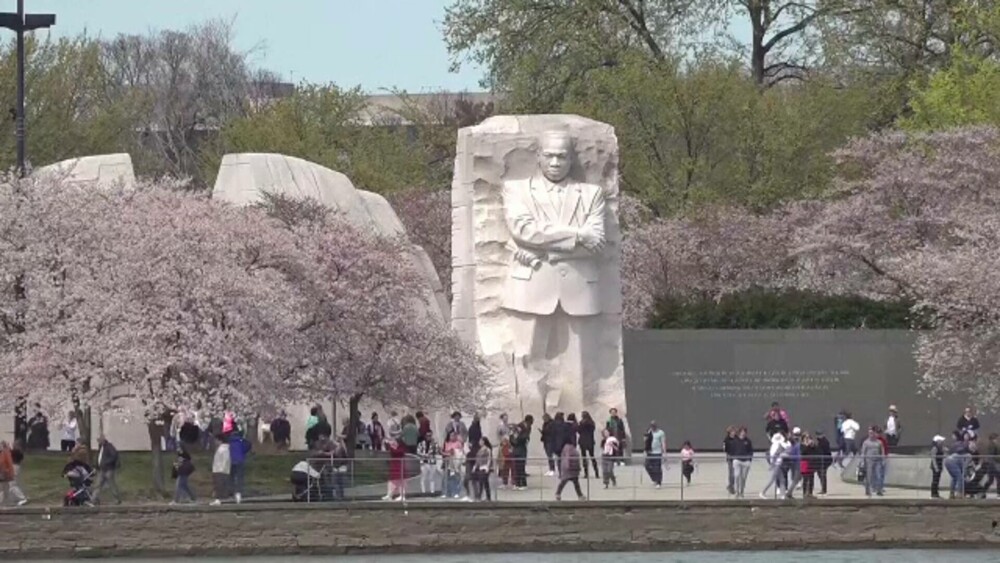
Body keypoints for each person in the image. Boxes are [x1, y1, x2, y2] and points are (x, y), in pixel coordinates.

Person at [501, 129, 611, 418]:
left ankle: (578, 423)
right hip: (531, 287)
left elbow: (597, 243)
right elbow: (524, 230)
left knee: (579, 367)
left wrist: (543, 249)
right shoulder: (516, 190)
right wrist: (577, 235)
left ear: (571, 158)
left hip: (578, 289)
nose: (555, 162)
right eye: (549, 155)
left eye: (562, 156)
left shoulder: (591, 193)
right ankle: (528, 424)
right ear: (538, 156)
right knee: (526, 361)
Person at [93, 435, 122, 505]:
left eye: (99, 440)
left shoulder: (109, 446)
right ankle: (94, 498)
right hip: (102, 469)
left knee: (111, 484)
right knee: (98, 484)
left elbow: (114, 455)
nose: (98, 442)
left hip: (109, 469)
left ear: (103, 440)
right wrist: (96, 466)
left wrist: (106, 462)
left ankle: (117, 498)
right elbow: (99, 458)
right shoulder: (101, 448)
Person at [555, 436, 585, 501]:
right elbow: (569, 458)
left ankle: (558, 493)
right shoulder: (571, 448)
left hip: (568, 468)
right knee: (575, 483)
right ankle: (580, 495)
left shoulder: (565, 448)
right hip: (571, 468)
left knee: (564, 482)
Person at [760, 432, 789, 499]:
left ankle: (783, 495)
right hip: (777, 464)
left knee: (782, 480)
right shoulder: (779, 445)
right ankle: (762, 492)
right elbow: (777, 454)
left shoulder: (773, 445)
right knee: (773, 479)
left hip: (777, 463)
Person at [860, 427, 886, 498]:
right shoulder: (866, 442)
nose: (871, 434)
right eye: (869, 433)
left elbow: (882, 452)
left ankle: (879, 490)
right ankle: (868, 490)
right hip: (869, 461)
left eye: (872, 433)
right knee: (869, 476)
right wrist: (862, 461)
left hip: (878, 461)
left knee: (878, 475)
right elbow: (863, 452)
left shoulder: (879, 442)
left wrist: (883, 460)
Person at [945, 431, 972, 499]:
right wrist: (965, 473)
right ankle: (959, 494)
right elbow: (964, 467)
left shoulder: (961, 454)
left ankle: (951, 494)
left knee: (954, 478)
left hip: (948, 460)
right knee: (960, 478)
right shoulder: (968, 456)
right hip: (953, 462)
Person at [0, 440, 27, 506]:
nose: (13, 445)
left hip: (13, 468)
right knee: (4, 485)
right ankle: (3, 500)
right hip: (11, 468)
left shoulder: (16, 452)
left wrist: (5, 447)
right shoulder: (15, 452)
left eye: (14, 444)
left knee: (12, 485)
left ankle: (22, 498)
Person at [229, 431, 252, 504]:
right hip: (240, 461)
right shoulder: (241, 441)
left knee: (231, 477)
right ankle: (238, 492)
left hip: (231, 461)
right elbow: (248, 445)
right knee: (240, 477)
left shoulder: (229, 442)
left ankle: (231, 491)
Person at [731, 427, 753, 498]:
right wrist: (733, 458)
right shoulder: (735, 440)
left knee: (743, 478)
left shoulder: (748, 441)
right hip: (737, 460)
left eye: (745, 432)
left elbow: (751, 451)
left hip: (746, 461)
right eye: (742, 432)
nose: (743, 433)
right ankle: (737, 491)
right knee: (737, 476)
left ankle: (742, 491)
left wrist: (749, 459)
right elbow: (732, 449)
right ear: (740, 432)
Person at [442, 431, 465, 498]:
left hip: (455, 463)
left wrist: (453, 452)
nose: (452, 437)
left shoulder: (458, 443)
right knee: (447, 478)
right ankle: (447, 492)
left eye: (453, 435)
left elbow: (460, 452)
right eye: (451, 435)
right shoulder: (447, 443)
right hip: (448, 462)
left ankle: (456, 492)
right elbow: (444, 452)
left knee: (456, 478)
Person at [417, 430, 440, 495]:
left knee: (432, 477)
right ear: (425, 436)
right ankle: (423, 492)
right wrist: (424, 455)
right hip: (424, 462)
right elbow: (418, 451)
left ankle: (432, 491)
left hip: (432, 462)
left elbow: (437, 451)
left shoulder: (434, 443)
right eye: (427, 435)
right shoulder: (421, 443)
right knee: (423, 478)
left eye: (430, 435)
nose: (428, 437)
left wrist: (431, 453)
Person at [644, 420, 666, 488]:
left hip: (657, 452)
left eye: (654, 426)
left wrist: (664, 452)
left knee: (657, 468)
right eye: (651, 426)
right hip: (650, 452)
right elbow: (645, 441)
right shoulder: (649, 432)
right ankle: (654, 478)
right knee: (647, 465)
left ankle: (658, 482)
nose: (652, 427)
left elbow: (663, 442)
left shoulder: (660, 432)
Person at [210, 435, 230, 505]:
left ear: (220, 440)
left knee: (219, 486)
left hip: (220, 470)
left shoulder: (223, 449)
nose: (215, 442)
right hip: (218, 469)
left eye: (216, 440)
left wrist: (221, 469)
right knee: (219, 485)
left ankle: (218, 499)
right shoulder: (221, 448)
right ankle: (220, 499)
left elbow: (225, 459)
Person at [577, 411, 598, 479]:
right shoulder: (591, 423)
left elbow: (579, 431)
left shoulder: (581, 423)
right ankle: (596, 473)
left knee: (584, 458)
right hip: (590, 441)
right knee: (592, 457)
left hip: (583, 441)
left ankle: (586, 473)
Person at [510, 422, 529, 490]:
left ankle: (523, 484)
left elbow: (519, 441)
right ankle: (517, 483)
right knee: (516, 469)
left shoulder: (524, 435)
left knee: (521, 468)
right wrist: (512, 436)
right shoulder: (514, 435)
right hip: (515, 453)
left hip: (521, 453)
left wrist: (516, 437)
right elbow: (512, 443)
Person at [800, 433, 819, 499]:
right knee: (805, 479)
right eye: (806, 438)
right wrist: (807, 445)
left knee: (811, 478)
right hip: (804, 463)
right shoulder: (801, 445)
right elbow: (803, 452)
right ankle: (804, 493)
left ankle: (810, 493)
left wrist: (813, 446)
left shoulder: (812, 446)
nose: (807, 439)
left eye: (808, 437)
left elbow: (816, 452)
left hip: (811, 463)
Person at [815, 430, 833, 496]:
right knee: (821, 474)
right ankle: (823, 489)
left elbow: (821, 451)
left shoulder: (823, 442)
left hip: (825, 461)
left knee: (822, 474)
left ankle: (824, 489)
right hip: (824, 460)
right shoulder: (822, 441)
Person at [983, 433, 1000, 498]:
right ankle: (998, 493)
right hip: (994, 464)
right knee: (998, 479)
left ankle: (982, 491)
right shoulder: (992, 445)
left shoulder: (992, 444)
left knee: (991, 480)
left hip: (992, 464)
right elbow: (992, 455)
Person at [723, 426, 738, 494]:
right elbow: (725, 449)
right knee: (731, 472)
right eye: (732, 431)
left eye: (734, 431)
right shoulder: (726, 439)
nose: (733, 432)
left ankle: (731, 485)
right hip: (730, 457)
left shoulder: (737, 438)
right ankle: (731, 486)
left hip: (736, 456)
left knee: (736, 473)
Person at [930, 434, 946, 499]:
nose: (942, 442)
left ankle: (936, 493)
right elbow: (933, 458)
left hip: (939, 465)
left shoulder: (941, 448)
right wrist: (936, 467)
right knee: (935, 480)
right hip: (935, 466)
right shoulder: (934, 448)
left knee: (937, 480)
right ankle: (933, 493)